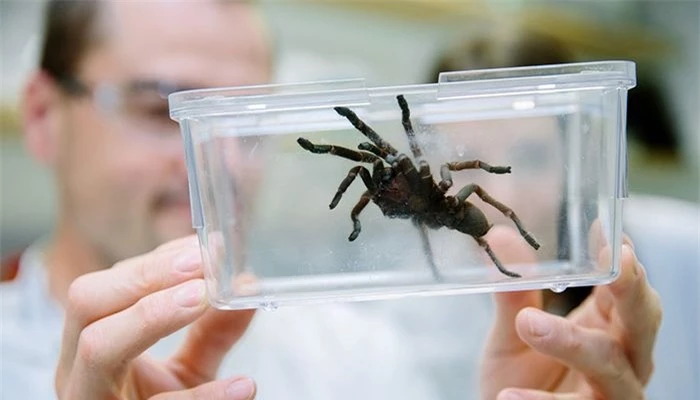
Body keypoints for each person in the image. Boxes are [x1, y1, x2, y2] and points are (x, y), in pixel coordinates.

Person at [0, 1, 663, 399]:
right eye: (155, 109)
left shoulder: (359, 357)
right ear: (41, 114)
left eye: (247, 125)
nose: (220, 162)